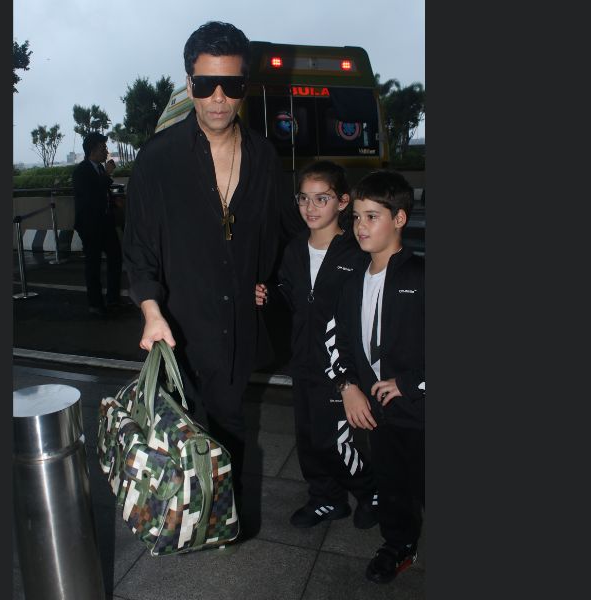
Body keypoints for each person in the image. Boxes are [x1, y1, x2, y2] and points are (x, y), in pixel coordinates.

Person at [122, 21, 283, 518]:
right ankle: (183, 520)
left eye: (230, 85)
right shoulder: (158, 159)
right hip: (179, 329)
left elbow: (278, 236)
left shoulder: (264, 157)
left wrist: (267, 282)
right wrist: (151, 311)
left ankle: (221, 521)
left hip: (236, 329)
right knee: (182, 436)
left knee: (231, 430)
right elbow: (139, 250)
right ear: (189, 82)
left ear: (244, 86)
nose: (217, 98)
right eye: (206, 83)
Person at [256, 161, 378, 530]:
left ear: (342, 202)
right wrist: (268, 296)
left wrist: (352, 379)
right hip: (303, 361)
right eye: (303, 198)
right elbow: (289, 297)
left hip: (340, 368)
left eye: (321, 199)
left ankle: (370, 491)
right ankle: (326, 499)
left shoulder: (355, 253)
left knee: (336, 441)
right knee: (308, 437)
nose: (310, 208)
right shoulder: (294, 249)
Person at [325, 169, 424, 584]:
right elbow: (338, 342)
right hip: (379, 413)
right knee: (392, 482)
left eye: (371, 217)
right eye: (356, 217)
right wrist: (348, 387)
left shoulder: (421, 277)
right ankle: (398, 544)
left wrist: (409, 383)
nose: (360, 226)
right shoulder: (352, 282)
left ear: (399, 218)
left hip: (421, 409)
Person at [72, 132, 123, 316]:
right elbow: (90, 196)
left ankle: (113, 299)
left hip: (106, 223)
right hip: (90, 225)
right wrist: (108, 174)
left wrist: (113, 201)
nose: (106, 152)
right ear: (93, 150)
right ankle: (95, 304)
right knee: (93, 265)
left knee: (115, 259)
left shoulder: (100, 169)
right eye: (103, 148)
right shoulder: (81, 171)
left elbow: (102, 193)